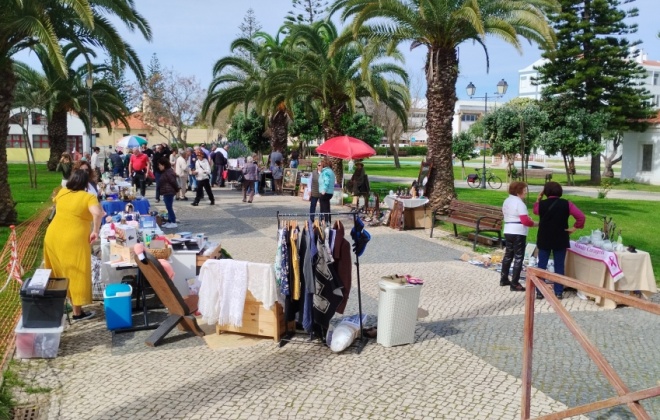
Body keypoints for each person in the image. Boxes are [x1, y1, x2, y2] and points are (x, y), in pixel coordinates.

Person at [44, 169, 104, 322]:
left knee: (58, 271)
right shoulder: (88, 197)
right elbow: (97, 213)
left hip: (52, 236)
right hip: (73, 239)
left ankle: (62, 304)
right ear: (85, 183)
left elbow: (55, 201)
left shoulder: (62, 193)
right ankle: (78, 312)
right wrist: (95, 230)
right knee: (77, 272)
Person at [533, 181, 585, 299]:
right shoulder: (567, 204)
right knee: (559, 265)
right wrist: (575, 227)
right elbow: (581, 216)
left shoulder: (542, 205)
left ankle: (540, 291)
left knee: (541, 264)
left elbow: (535, 211)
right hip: (560, 237)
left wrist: (538, 199)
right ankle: (558, 291)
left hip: (544, 237)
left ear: (545, 192)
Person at [500, 181, 538, 292]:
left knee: (508, 255)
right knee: (518, 257)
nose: (525, 193)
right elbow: (525, 221)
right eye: (524, 190)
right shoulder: (520, 203)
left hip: (508, 230)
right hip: (518, 232)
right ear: (519, 191)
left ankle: (504, 278)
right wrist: (536, 224)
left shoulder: (507, 201)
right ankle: (515, 283)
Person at [157, 157, 179, 228]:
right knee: (168, 207)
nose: (159, 166)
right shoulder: (166, 172)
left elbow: (173, 182)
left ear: (164, 165)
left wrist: (176, 189)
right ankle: (169, 221)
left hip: (169, 191)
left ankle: (173, 221)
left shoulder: (168, 172)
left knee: (169, 207)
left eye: (160, 165)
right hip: (166, 191)